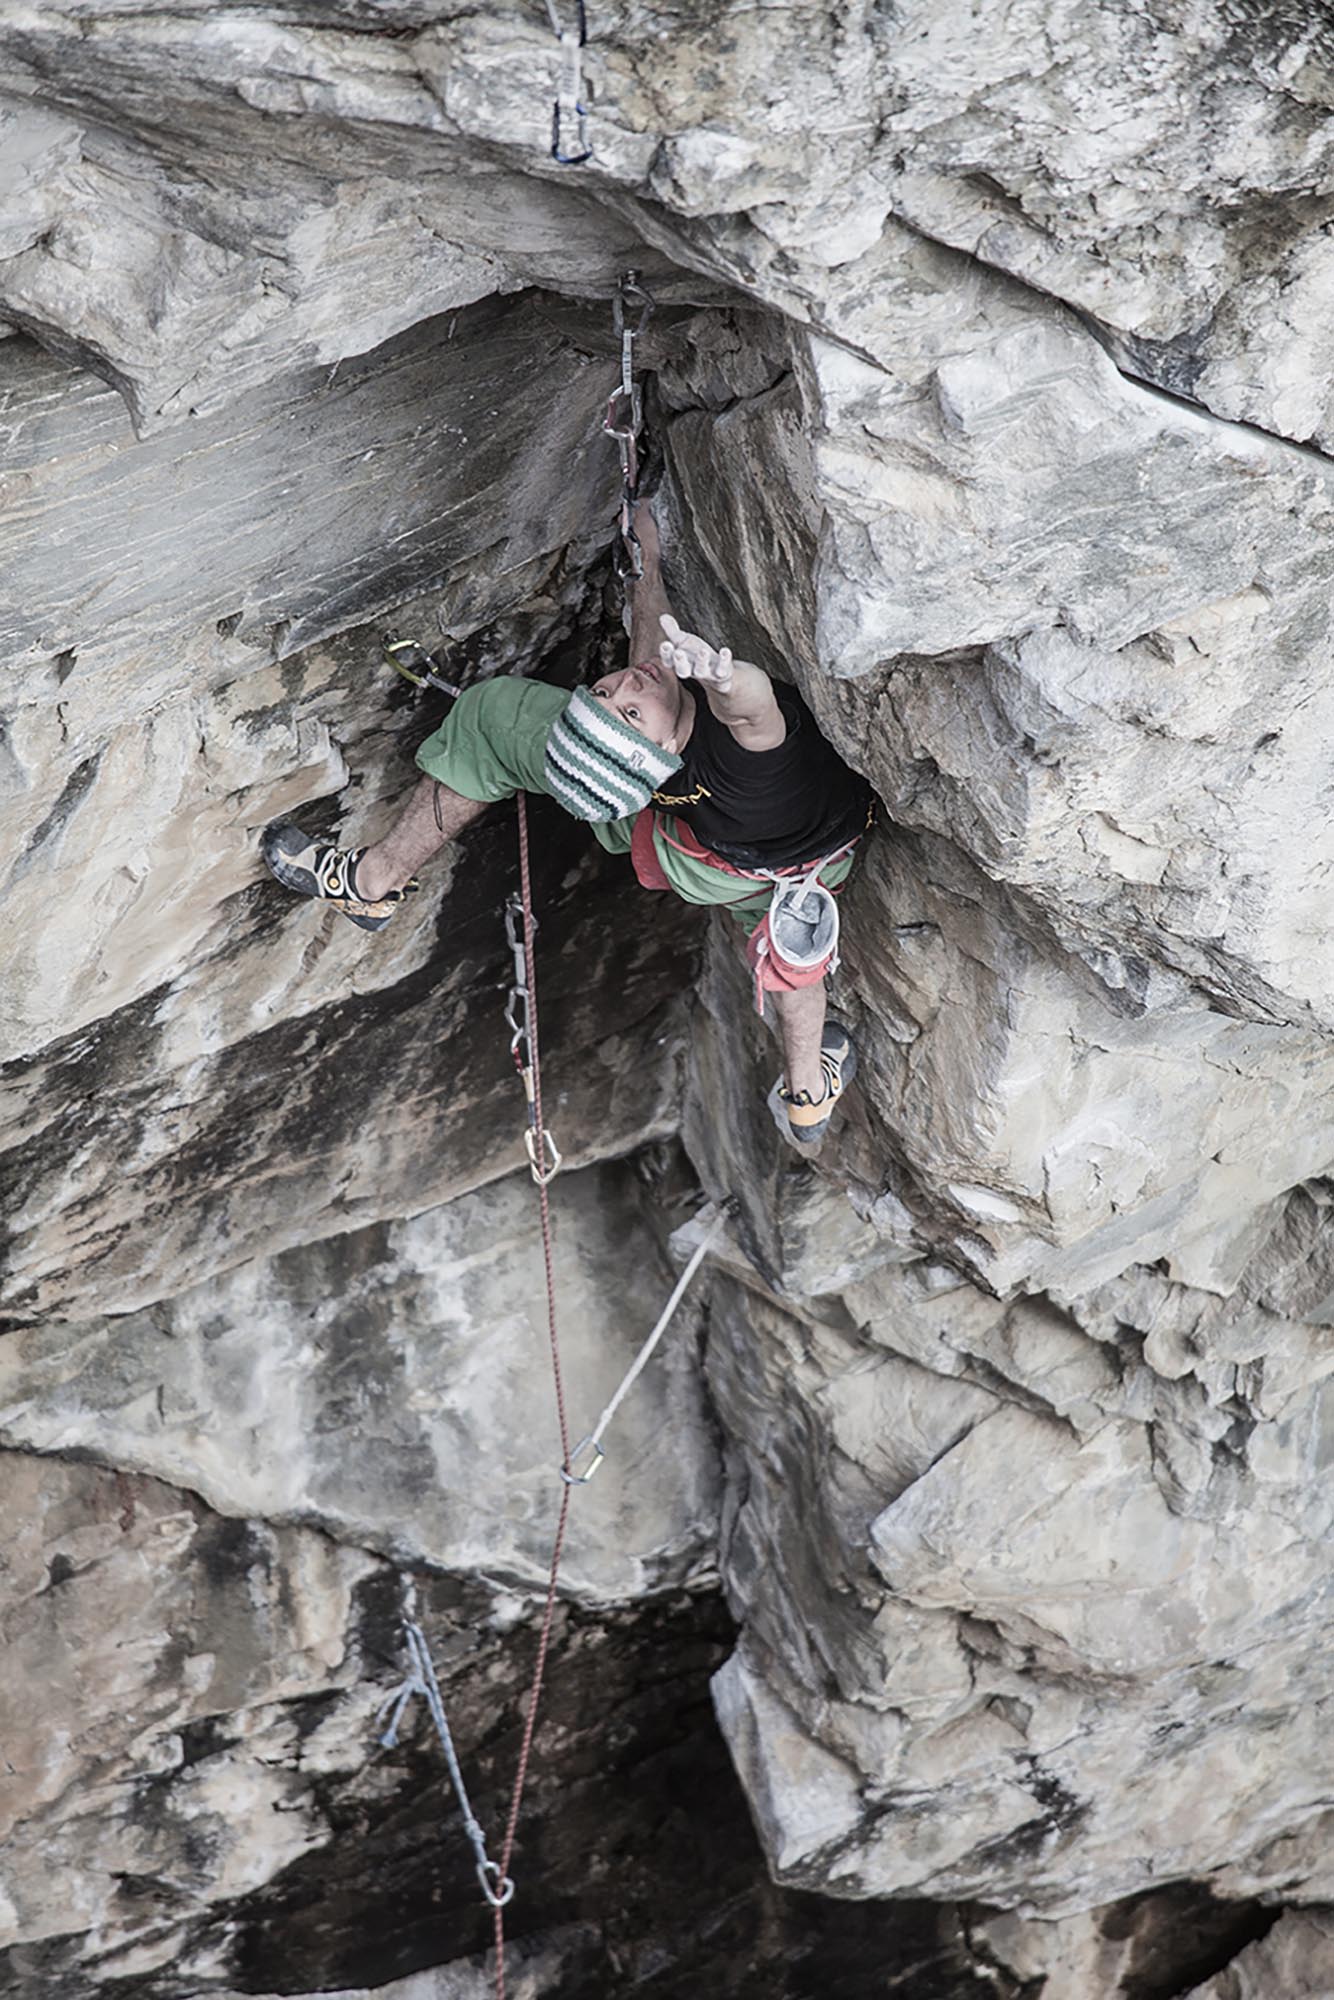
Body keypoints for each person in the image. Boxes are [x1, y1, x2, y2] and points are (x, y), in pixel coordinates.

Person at [262, 505, 873, 1145]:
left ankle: (373, 878)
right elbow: (750, 712)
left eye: (612, 699)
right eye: (618, 703)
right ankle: (807, 1096)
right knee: (792, 954)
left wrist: (652, 573)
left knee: (495, 720)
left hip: (698, 851)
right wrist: (720, 675)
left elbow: (677, 681)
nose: (619, 687)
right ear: (652, 769)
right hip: (774, 871)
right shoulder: (733, 757)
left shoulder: (675, 747)